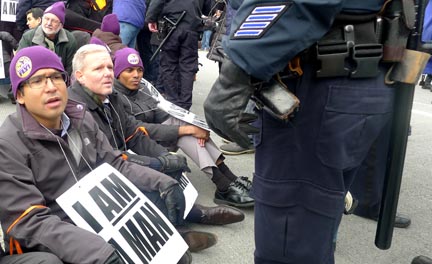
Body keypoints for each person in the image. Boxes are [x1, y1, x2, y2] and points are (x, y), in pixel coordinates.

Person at [203, 0, 415, 263]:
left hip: (316, 81)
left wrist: (237, 70)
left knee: (288, 245)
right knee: (310, 230)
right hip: (351, 74)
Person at [0, 45, 186, 263]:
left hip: (98, 213)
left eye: (56, 77)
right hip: (54, 232)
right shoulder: (8, 144)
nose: (50, 87)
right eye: (37, 81)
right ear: (20, 95)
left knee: (163, 207)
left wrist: (162, 182)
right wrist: (98, 250)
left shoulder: (81, 118)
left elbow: (114, 165)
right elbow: (28, 220)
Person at [68, 44, 245, 234]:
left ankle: (189, 210)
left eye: (109, 67)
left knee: (171, 162)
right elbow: (103, 159)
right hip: (95, 174)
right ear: (80, 76)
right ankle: (183, 225)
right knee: (156, 177)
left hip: (120, 159)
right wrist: (156, 163)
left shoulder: (112, 97)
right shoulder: (76, 110)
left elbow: (134, 134)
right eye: (98, 69)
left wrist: (164, 156)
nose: (107, 73)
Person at [113, 47, 254, 207]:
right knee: (185, 132)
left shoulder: (143, 89)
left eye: (139, 70)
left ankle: (230, 180)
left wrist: (193, 127)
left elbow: (164, 116)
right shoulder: (115, 96)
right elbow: (137, 129)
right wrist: (187, 130)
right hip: (137, 146)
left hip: (155, 135)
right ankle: (223, 184)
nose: (136, 75)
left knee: (185, 127)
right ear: (118, 73)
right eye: (129, 70)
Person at [145, 0, 212, 110]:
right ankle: (184, 104)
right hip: (191, 27)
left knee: (169, 65)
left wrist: (151, 18)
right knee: (188, 67)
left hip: (171, 25)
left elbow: (157, 2)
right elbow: (207, 8)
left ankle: (173, 101)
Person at [18, 2, 78, 75]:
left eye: (54, 21)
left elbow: (70, 70)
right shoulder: (28, 37)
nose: (49, 23)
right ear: (42, 19)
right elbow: (20, 65)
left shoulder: (70, 40)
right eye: (46, 19)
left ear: (61, 25)